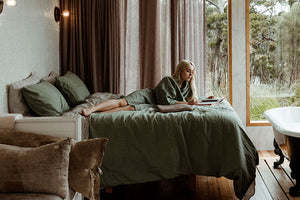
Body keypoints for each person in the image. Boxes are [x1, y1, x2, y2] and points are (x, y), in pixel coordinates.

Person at [82, 60, 212, 116]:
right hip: (148, 95)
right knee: (123, 102)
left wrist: (205, 99)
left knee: (129, 108)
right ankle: (91, 109)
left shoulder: (188, 87)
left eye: (192, 72)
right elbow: (165, 102)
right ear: (181, 70)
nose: (190, 75)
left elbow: (190, 100)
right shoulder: (168, 80)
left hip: (152, 105)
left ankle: (99, 115)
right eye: (188, 71)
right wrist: (187, 103)